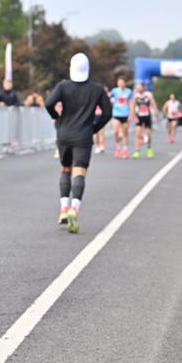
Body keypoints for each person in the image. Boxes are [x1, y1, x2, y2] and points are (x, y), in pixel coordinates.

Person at [45, 53, 112, 234]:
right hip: (83, 135)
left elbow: (49, 103)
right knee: (79, 172)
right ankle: (75, 208)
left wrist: (57, 119)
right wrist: (94, 128)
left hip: (64, 134)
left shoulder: (63, 86)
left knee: (65, 169)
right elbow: (107, 113)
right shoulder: (97, 89)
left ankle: (63, 209)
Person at [129, 83, 158, 159]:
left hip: (147, 116)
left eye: (140, 87)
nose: (138, 89)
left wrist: (155, 114)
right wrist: (134, 116)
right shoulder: (136, 96)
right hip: (139, 116)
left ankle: (149, 148)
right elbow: (133, 106)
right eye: (137, 88)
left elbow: (153, 104)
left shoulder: (148, 95)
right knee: (137, 134)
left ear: (143, 87)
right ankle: (137, 151)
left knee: (149, 134)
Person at [109, 76, 132, 158]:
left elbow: (131, 103)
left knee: (125, 133)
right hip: (116, 114)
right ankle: (118, 147)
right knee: (116, 131)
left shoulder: (129, 92)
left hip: (125, 114)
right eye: (119, 83)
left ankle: (125, 149)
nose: (120, 84)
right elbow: (107, 98)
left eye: (122, 83)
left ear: (125, 83)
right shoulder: (114, 91)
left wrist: (131, 114)